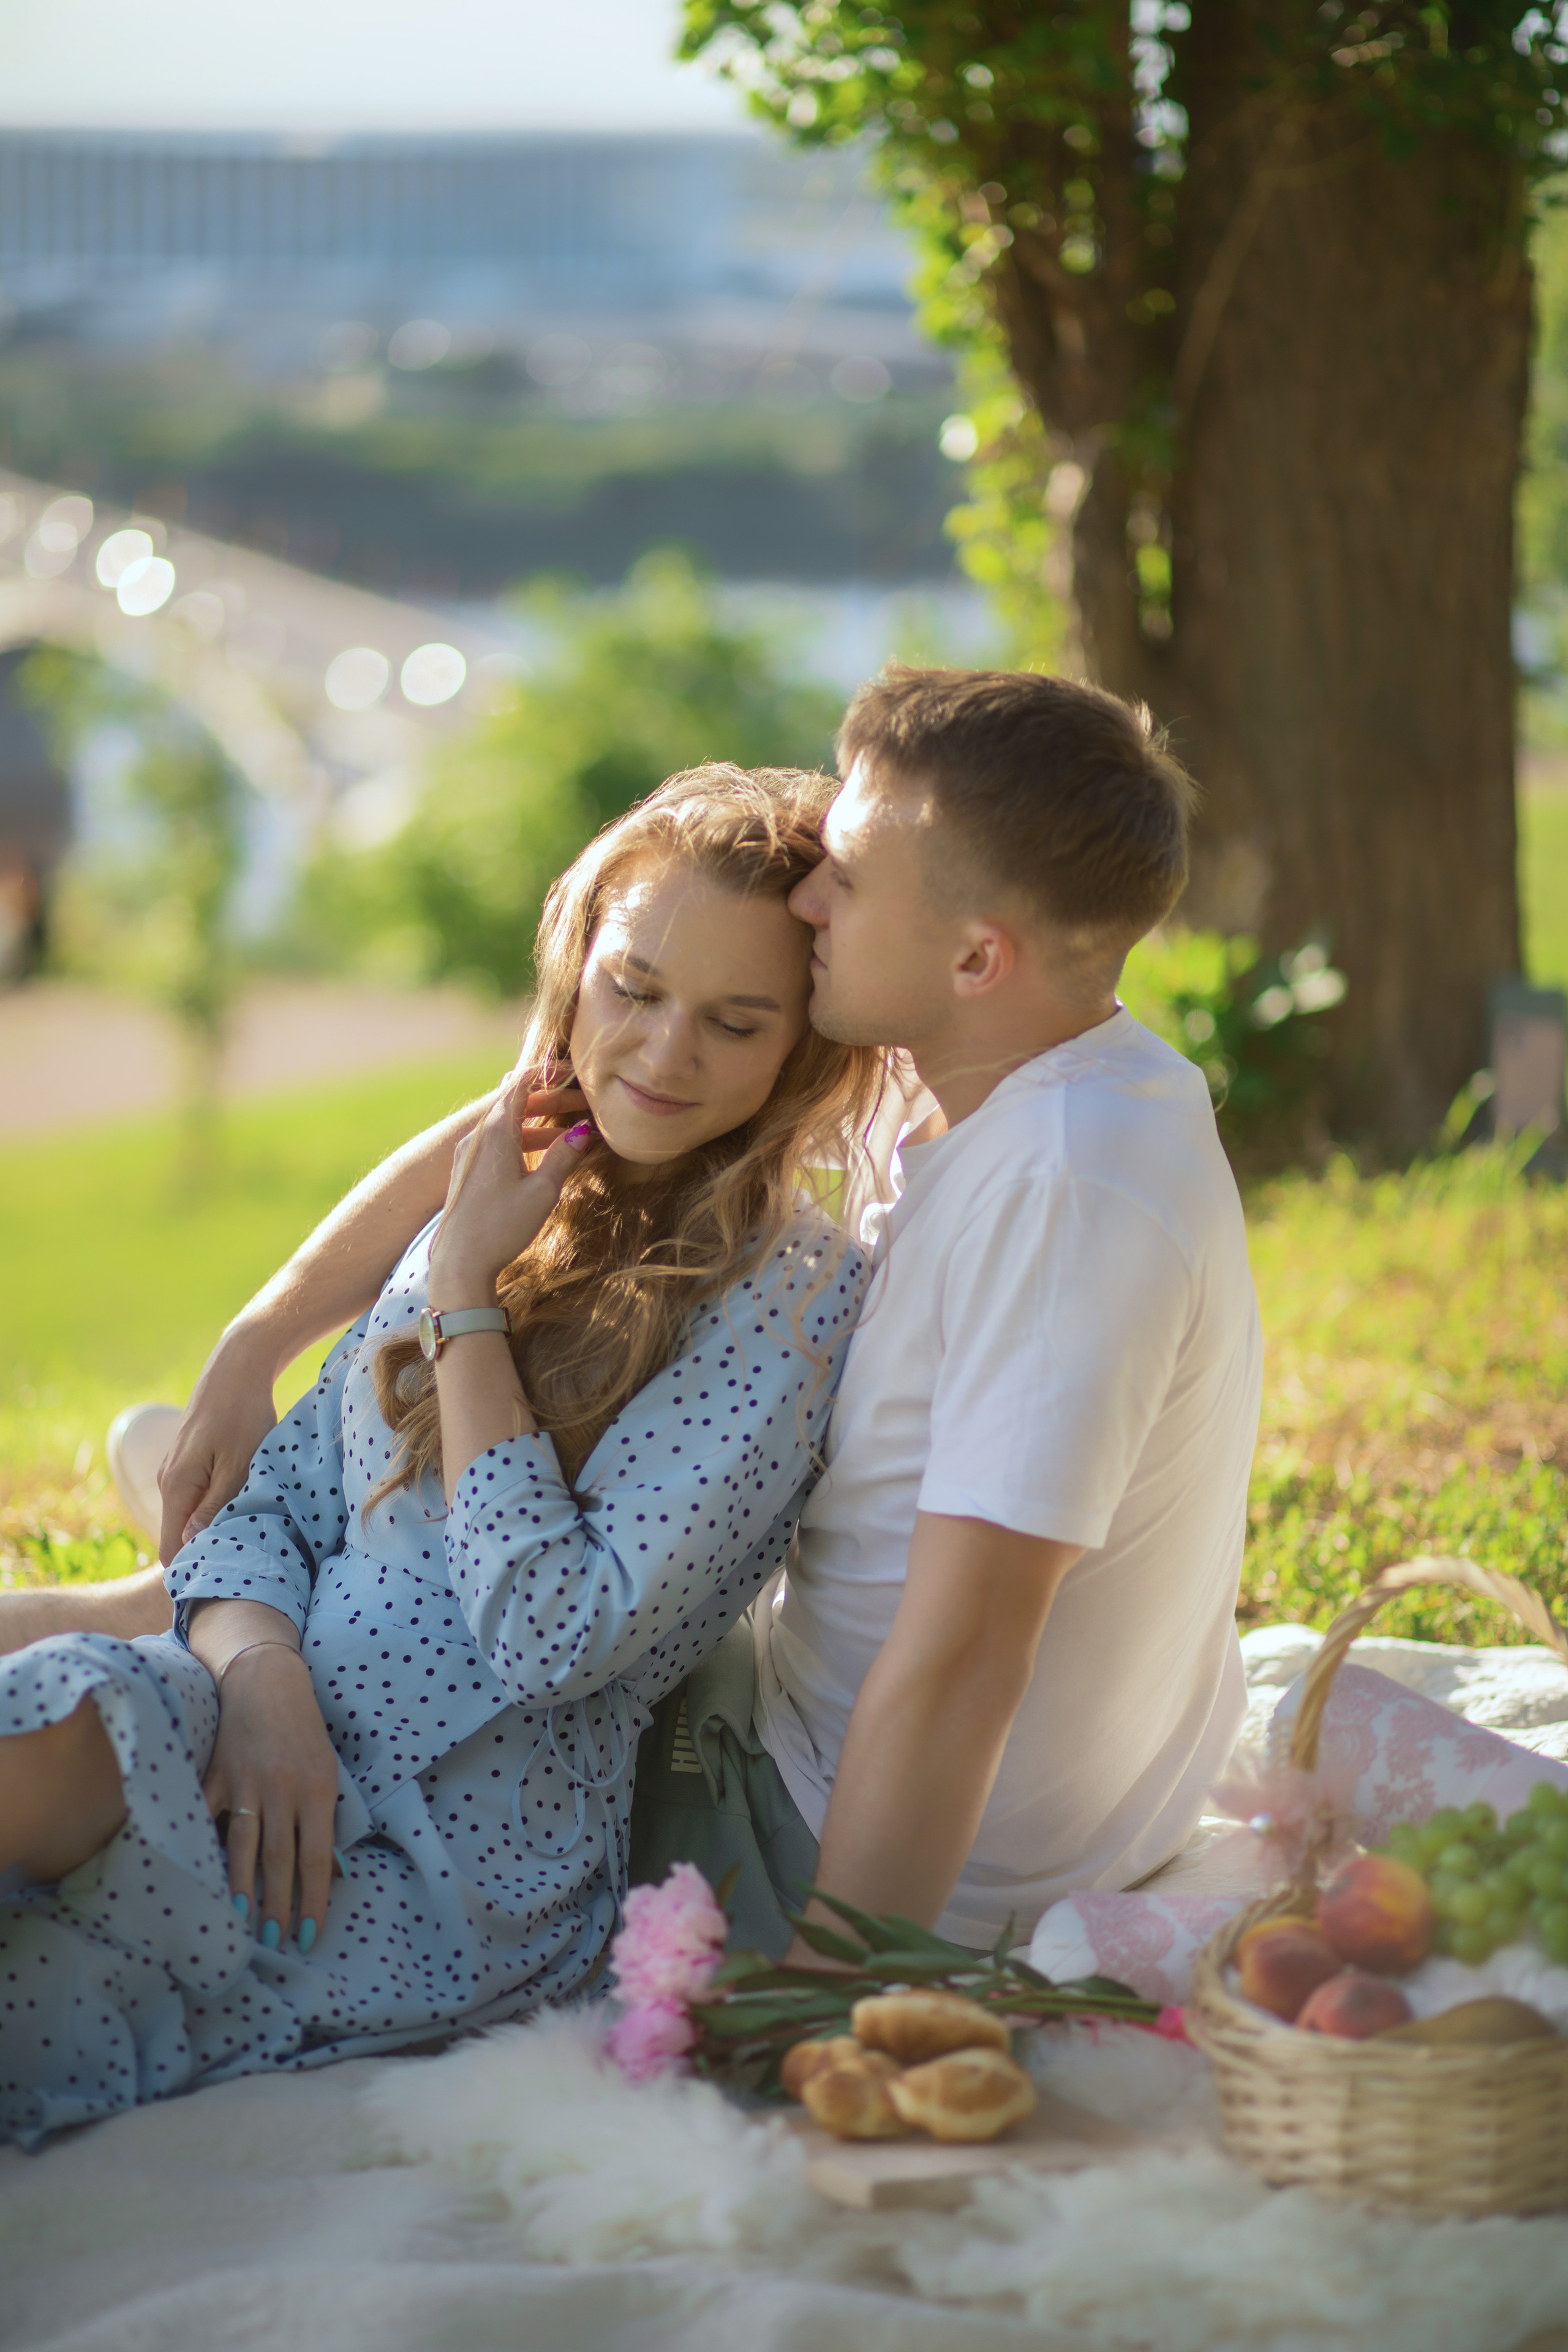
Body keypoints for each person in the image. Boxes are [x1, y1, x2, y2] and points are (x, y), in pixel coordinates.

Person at [8, 665, 1263, 1971]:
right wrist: (259, 1339)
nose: (811, 897)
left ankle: (233, 1588)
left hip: (832, 1837)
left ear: (972, 955)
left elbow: (964, 1657)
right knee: (256, 1565)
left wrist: (835, 2012)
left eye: (847, 874)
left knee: (260, 1634)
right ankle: (222, 1579)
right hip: (783, 1712)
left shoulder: (1063, 1196)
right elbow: (543, 1109)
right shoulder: (985, 1051)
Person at [0, 765, 880, 2141]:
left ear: (800, 1052)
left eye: (734, 1021)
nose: (659, 1052)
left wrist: (465, 1302)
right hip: (246, 1719)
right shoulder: (522, 1183)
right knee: (57, 1707)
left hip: (442, 1855)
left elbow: (551, 1636)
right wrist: (264, 1677)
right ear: (577, 966)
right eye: (632, 988)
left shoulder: (782, 1304)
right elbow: (268, 1507)